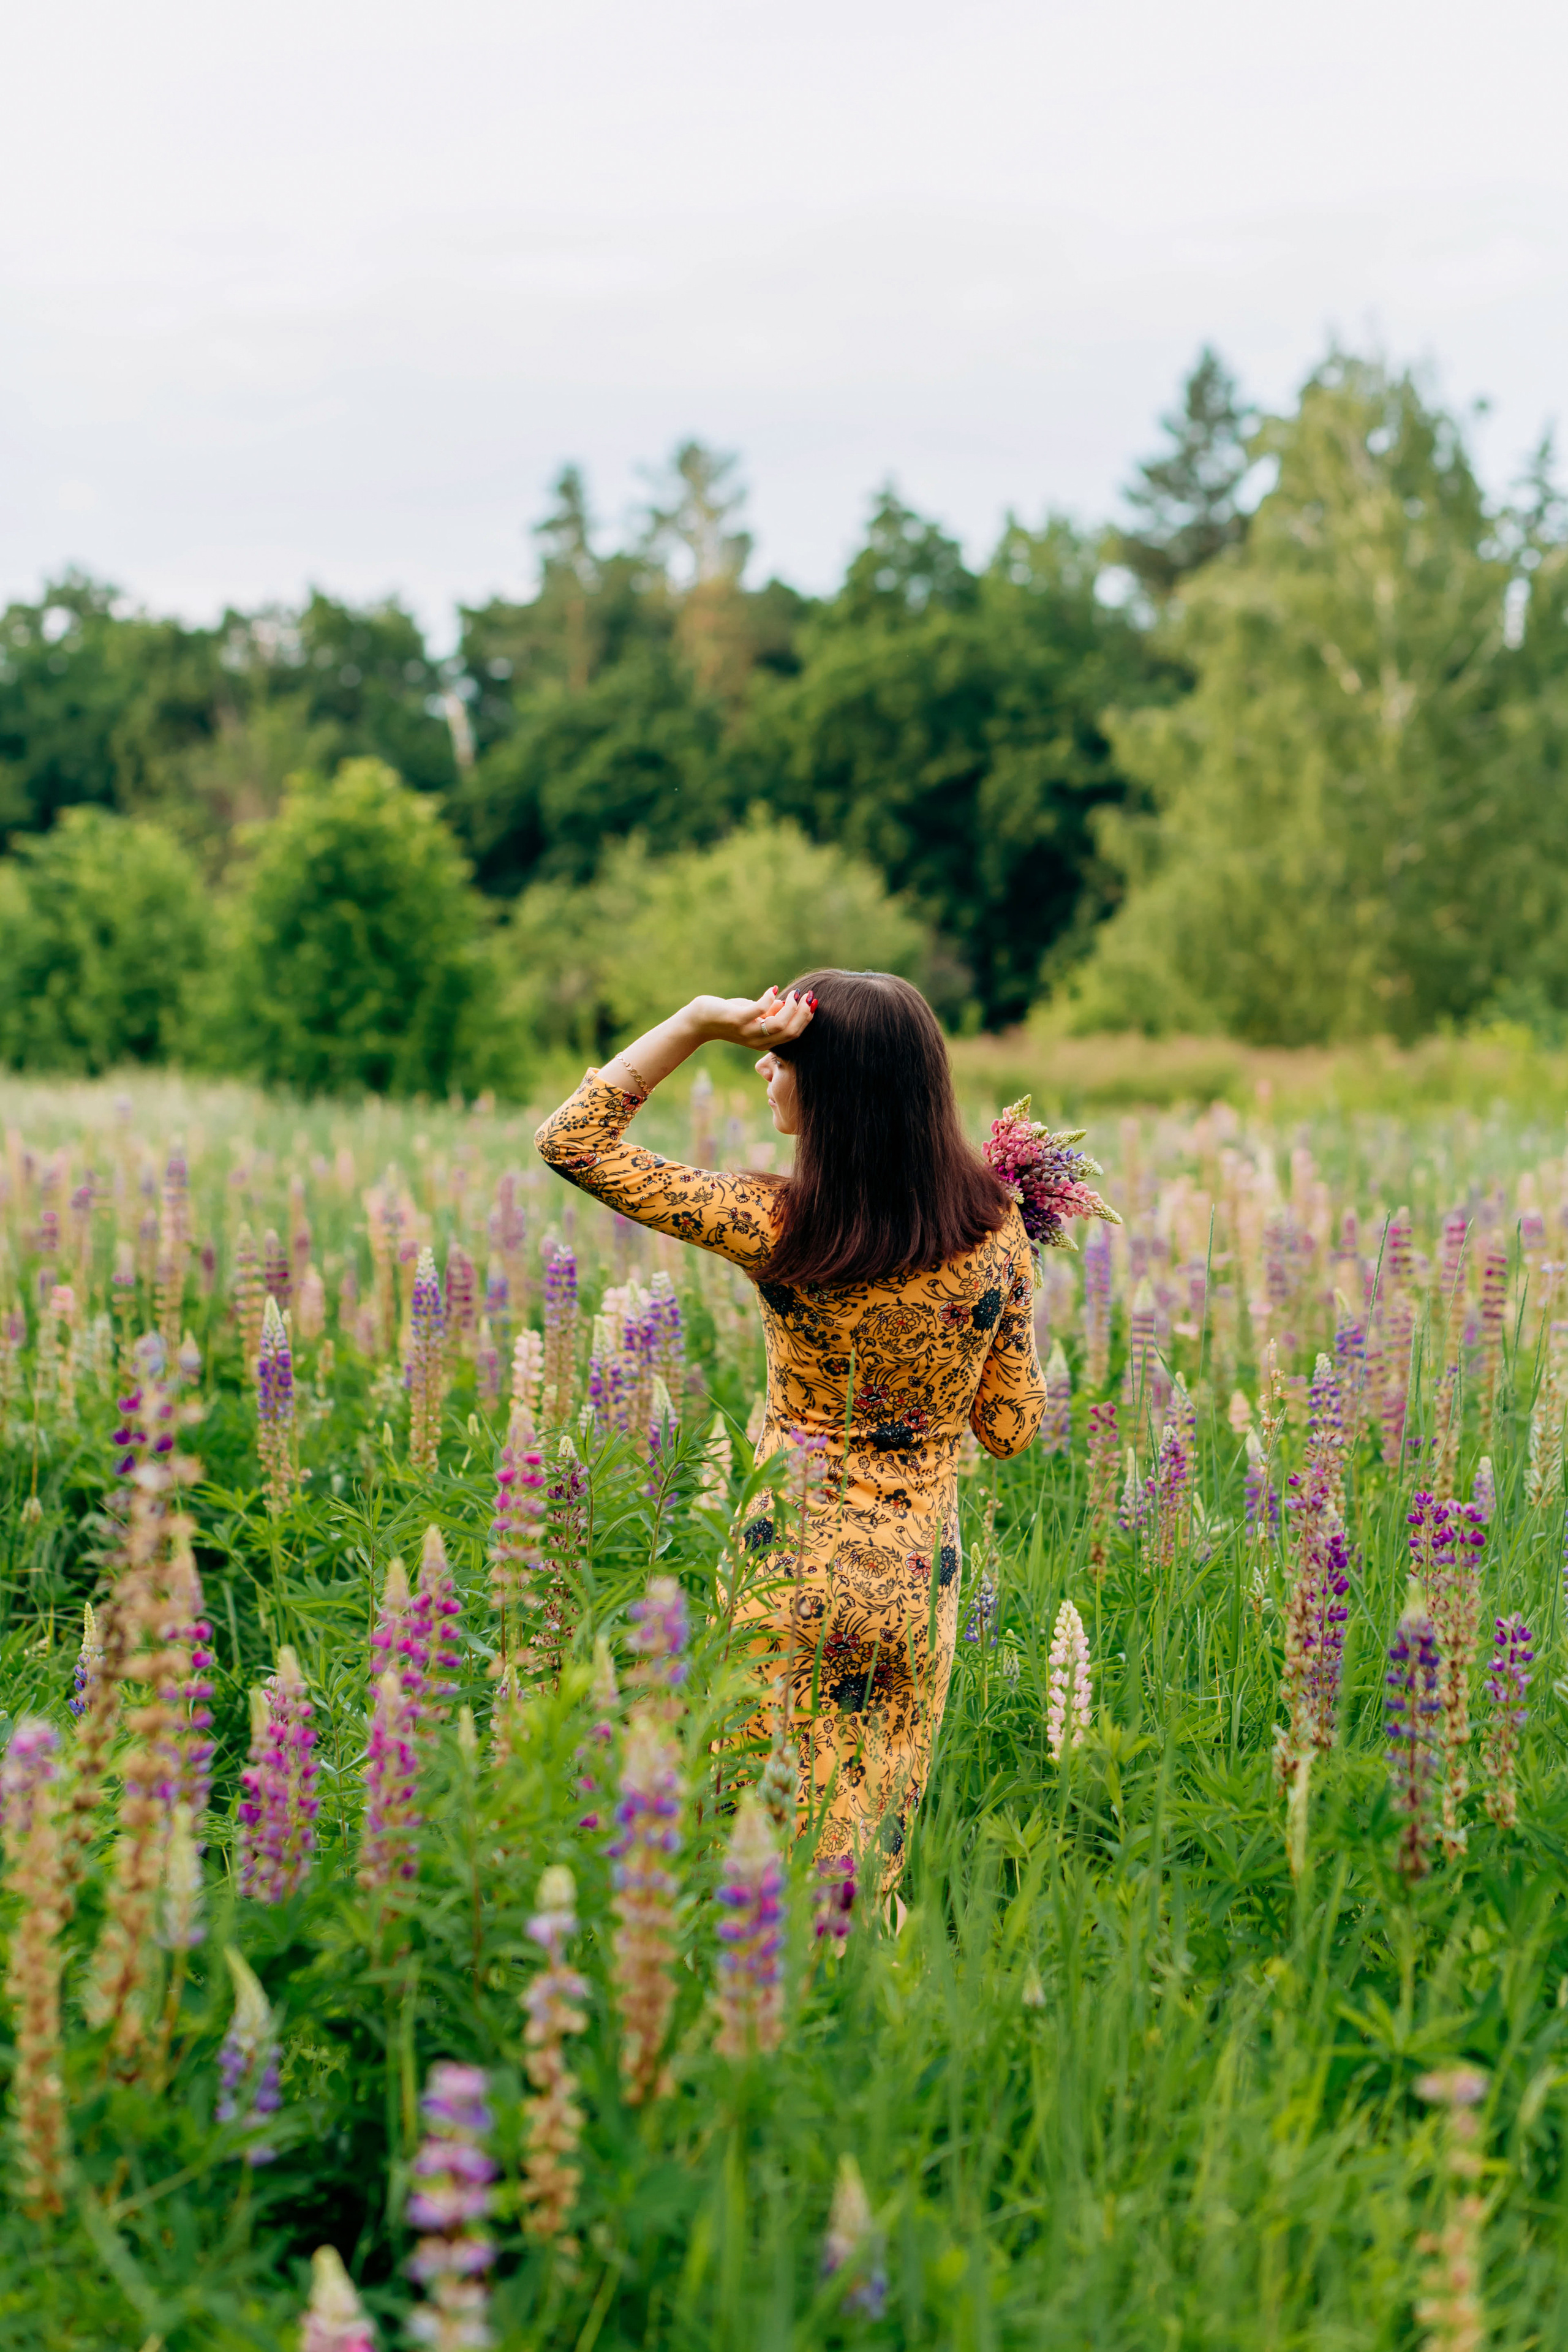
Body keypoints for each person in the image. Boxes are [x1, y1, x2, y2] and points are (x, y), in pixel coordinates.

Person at [533, 970, 1045, 1882]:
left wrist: (699, 1021)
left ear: (838, 1087)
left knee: (758, 1859)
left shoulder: (776, 1221)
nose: (764, 1067)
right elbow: (1010, 1428)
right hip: (914, 1584)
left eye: (784, 1054)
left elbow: (571, 1141)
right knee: (869, 1859)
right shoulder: (997, 1229)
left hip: (790, 1566)